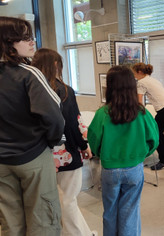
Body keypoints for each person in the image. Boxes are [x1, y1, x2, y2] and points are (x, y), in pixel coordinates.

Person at [0, 16, 65, 235]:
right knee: (43, 220)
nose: (32, 42)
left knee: (10, 222)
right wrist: (52, 142)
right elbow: (54, 117)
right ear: (8, 42)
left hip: (1, 162)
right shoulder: (29, 73)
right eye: (24, 37)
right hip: (32, 156)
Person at [32, 48, 97, 236]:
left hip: (38, 154)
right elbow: (73, 123)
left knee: (51, 200)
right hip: (65, 153)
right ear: (55, 65)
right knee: (69, 199)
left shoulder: (29, 88)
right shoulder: (64, 90)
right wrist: (84, 146)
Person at [88, 66, 159, 236]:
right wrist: (141, 154)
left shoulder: (102, 113)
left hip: (110, 169)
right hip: (134, 168)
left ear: (110, 86)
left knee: (110, 212)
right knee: (130, 212)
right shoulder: (141, 113)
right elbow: (154, 139)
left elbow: (93, 140)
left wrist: (103, 154)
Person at [132, 62, 164, 170]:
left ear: (139, 72)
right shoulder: (152, 79)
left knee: (155, 134)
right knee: (159, 132)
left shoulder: (141, 82)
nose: (134, 76)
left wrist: (139, 114)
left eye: (134, 73)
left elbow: (139, 102)